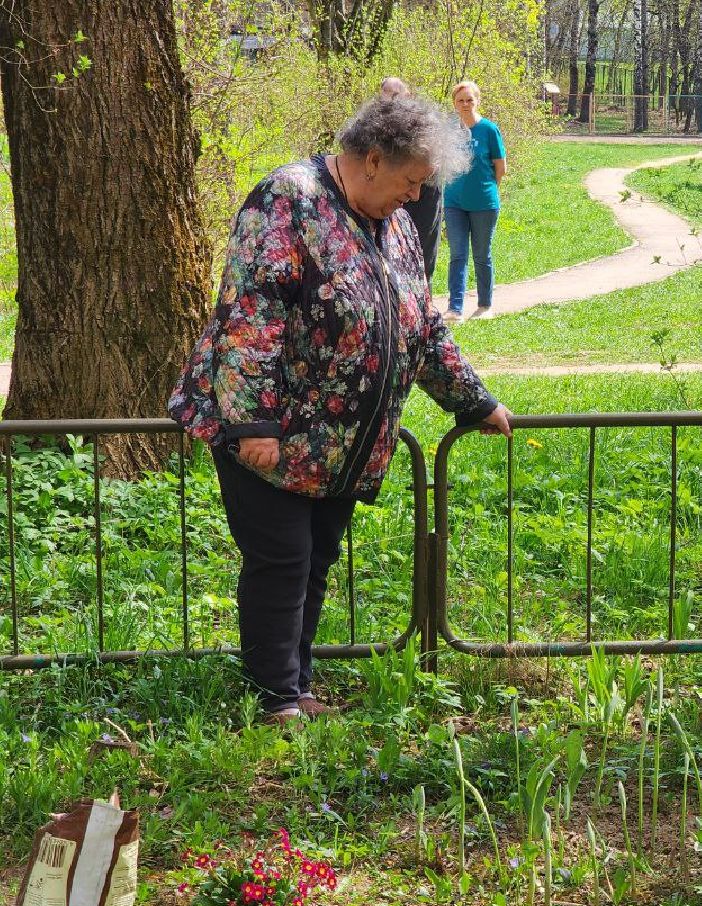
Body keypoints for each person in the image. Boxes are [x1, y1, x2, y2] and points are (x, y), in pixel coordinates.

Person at [168, 95, 514, 723]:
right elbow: (252, 316)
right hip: (273, 432)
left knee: (316, 558)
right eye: (411, 182)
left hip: (338, 443)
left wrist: (475, 398)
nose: (414, 197)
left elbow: (422, 329)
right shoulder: (288, 200)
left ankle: (295, 685)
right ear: (373, 160)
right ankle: (275, 697)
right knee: (283, 559)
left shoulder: (398, 224)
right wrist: (253, 423)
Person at [442, 80, 506, 323]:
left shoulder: (489, 130)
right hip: (454, 202)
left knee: (481, 255)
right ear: (454, 104)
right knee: (458, 254)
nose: (465, 104)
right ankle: (454, 308)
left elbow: (500, 168)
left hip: (484, 203)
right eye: (461, 100)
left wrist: (487, 190)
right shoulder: (449, 131)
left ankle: (484, 305)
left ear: (477, 101)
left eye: (470, 99)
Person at [379, 77, 443, 283]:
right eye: (388, 98)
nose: (393, 103)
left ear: (408, 96)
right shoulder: (375, 126)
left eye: (397, 97)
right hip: (389, 199)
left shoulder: (425, 122)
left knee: (421, 260)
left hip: (424, 196)